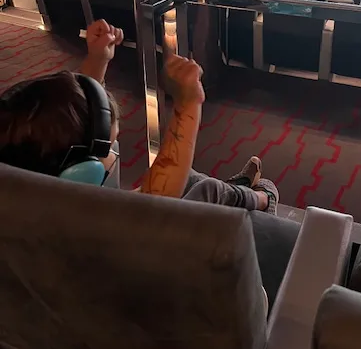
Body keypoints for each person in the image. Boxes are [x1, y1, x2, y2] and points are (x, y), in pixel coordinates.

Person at [0, 19, 279, 214]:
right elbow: (154, 202)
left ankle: (242, 190)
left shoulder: (27, 187)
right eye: (109, 145)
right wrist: (188, 103)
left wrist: (98, 61)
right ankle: (263, 199)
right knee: (205, 190)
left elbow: (77, 120)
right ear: (78, 174)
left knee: (191, 178)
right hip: (142, 257)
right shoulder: (82, 229)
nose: (113, 149)